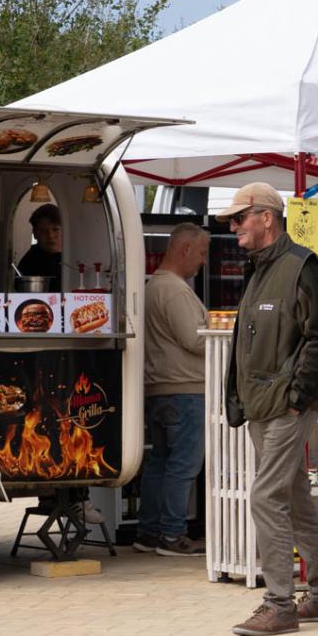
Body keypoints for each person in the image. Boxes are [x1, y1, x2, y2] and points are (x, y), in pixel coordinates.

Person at [219, 182, 318, 636]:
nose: (233, 227)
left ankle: (279, 605)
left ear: (266, 217)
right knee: (294, 496)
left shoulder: (303, 267)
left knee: (265, 496)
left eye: (239, 218)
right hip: (261, 406)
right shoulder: (259, 269)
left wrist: (295, 400)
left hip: (287, 406)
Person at [135, 223, 211, 556]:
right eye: (202, 252)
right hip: (185, 389)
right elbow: (194, 339)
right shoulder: (176, 290)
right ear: (185, 249)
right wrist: (223, 335)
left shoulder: (153, 286)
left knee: (159, 461)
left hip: (158, 388)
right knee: (184, 463)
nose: (203, 261)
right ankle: (172, 535)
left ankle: (149, 532)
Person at [17, 204, 62, 291]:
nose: (50, 236)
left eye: (55, 229)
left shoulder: (72, 257)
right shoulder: (29, 263)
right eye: (43, 231)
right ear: (35, 233)